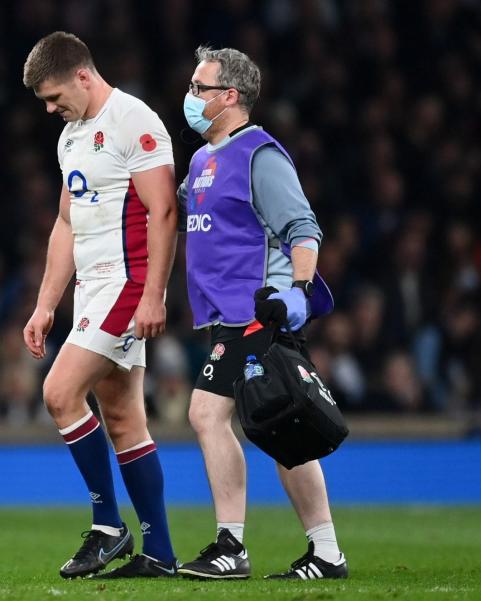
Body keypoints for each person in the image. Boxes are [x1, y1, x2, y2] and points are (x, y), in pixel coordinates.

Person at [176, 46, 348, 581]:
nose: (190, 96)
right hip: (226, 314)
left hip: (257, 312)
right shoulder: (204, 160)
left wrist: (296, 293)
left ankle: (232, 546)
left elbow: (303, 228)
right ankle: (326, 553)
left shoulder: (259, 155)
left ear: (230, 96)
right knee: (280, 424)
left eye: (199, 88)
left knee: (212, 416)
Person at [21, 32, 179, 579]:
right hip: (93, 287)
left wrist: (154, 294)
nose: (49, 108)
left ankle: (108, 528)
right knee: (123, 418)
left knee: (60, 393)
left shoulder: (133, 120)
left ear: (83, 76)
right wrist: (45, 306)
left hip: (128, 284)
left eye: (54, 96)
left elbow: (162, 212)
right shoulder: (71, 137)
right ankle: (159, 553)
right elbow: (66, 223)